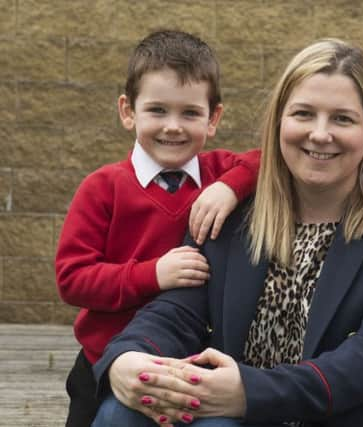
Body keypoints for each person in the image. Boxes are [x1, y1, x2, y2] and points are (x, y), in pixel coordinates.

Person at [90, 38, 363, 426]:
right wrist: (128, 357)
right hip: (226, 417)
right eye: (303, 114)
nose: (320, 134)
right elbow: (176, 313)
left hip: (330, 417)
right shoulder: (233, 214)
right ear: (279, 120)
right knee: (122, 409)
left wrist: (247, 393)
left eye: (342, 119)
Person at [55, 29, 261, 427]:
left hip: (192, 361)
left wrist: (229, 188)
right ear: (127, 111)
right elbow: (72, 278)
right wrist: (153, 274)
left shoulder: (218, 172)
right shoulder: (103, 188)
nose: (173, 127)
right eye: (157, 110)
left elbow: (269, 159)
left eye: (190, 113)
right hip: (105, 359)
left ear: (213, 117)